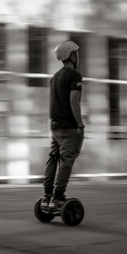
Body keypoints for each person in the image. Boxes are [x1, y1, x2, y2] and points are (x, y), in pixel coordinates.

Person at [41, 40, 85, 212]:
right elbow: (74, 101)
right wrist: (79, 124)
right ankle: (58, 197)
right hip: (68, 126)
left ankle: (46, 196)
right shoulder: (75, 76)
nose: (78, 56)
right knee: (66, 161)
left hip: (55, 125)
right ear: (71, 55)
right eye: (77, 53)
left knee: (53, 157)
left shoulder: (54, 77)